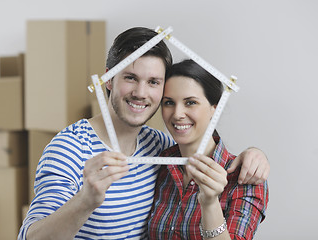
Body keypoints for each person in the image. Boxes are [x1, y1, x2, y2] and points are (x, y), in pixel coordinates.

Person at [18, 27, 269, 240]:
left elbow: (202, 146)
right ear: (108, 79)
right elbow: (31, 236)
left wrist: (254, 154)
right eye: (130, 77)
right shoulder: (68, 148)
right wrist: (86, 201)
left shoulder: (160, 146)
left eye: (153, 82)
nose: (140, 92)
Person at [147, 59, 269, 240]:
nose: (177, 114)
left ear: (215, 108)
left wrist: (209, 203)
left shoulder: (246, 178)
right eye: (169, 102)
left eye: (190, 102)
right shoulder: (159, 161)